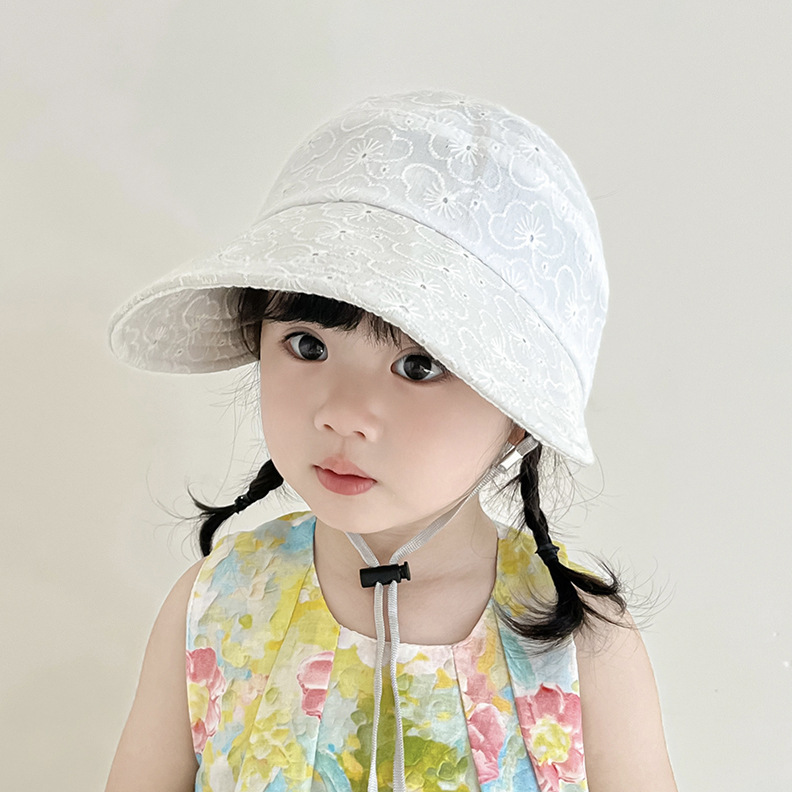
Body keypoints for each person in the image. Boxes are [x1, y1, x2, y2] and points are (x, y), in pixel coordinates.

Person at [104, 90, 678, 792]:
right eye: (307, 344)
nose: (344, 414)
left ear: (519, 410)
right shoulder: (215, 608)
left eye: (419, 366)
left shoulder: (581, 648)